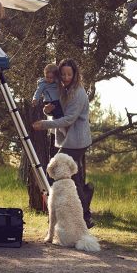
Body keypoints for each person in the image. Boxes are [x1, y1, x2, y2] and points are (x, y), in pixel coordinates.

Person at [32, 58, 94, 228]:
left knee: (57, 170)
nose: (66, 77)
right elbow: (59, 112)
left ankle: (83, 215)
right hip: (69, 138)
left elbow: (68, 119)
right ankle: (85, 212)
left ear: (75, 75)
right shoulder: (62, 90)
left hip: (77, 140)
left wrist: (44, 124)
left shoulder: (78, 92)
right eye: (63, 74)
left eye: (69, 74)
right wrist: (48, 110)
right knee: (74, 178)